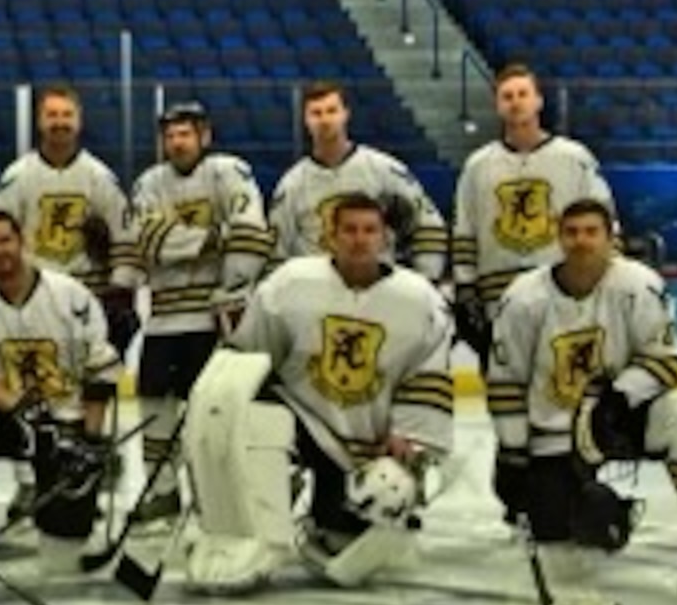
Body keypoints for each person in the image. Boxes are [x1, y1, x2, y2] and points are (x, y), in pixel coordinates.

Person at [188, 192, 455, 594]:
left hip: (364, 441)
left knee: (359, 517)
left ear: (385, 238)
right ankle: (257, 532)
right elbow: (248, 358)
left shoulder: (419, 300)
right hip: (301, 416)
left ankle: (325, 524)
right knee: (255, 416)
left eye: (370, 230)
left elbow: (428, 374)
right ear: (330, 236)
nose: (359, 239)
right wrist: (219, 404)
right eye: (349, 230)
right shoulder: (292, 282)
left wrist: (409, 436)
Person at [486, 196, 677, 605]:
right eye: (572, 232)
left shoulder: (638, 286)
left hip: (622, 418)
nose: (581, 242)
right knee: (567, 541)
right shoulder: (524, 298)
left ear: (611, 238)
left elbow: (668, 358)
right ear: (558, 237)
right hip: (553, 431)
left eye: (591, 232)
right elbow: (505, 380)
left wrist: (620, 397)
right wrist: (512, 452)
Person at [0, 208, 124, 576]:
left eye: (5, 240)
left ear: (22, 242)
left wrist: (90, 441)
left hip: (66, 423)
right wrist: (19, 407)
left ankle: (68, 532)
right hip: (7, 415)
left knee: (61, 561)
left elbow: (99, 370)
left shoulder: (70, 296)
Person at [126, 100, 273, 522]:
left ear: (204, 136)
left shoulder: (230, 171)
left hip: (215, 317)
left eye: (185, 134)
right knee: (154, 405)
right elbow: (146, 240)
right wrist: (213, 239)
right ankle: (163, 490)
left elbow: (250, 234)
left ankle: (214, 493)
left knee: (212, 411)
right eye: (170, 135)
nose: (177, 142)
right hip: (164, 319)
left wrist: (228, 287)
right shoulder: (148, 182)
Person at [451, 63, 616, 362]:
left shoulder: (574, 158)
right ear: (498, 105)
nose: (516, 102)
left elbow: (604, 222)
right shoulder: (477, 166)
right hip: (498, 299)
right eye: (507, 96)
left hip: (564, 294)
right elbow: (465, 231)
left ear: (539, 100)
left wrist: (609, 275)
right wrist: (465, 287)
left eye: (523, 94)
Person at [0, 82, 144, 350]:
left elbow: (124, 237)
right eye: (52, 115)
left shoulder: (101, 178)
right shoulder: (16, 178)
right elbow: (1, 239)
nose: (59, 122)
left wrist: (121, 290)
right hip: (34, 294)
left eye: (66, 115)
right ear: (39, 121)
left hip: (89, 296)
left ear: (79, 120)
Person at [266, 79, 451, 290]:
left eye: (331, 111)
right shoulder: (291, 185)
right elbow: (276, 253)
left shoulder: (385, 171)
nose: (325, 120)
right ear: (305, 120)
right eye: (316, 113)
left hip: (379, 291)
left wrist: (426, 281)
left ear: (346, 114)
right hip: (315, 294)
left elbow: (427, 224)